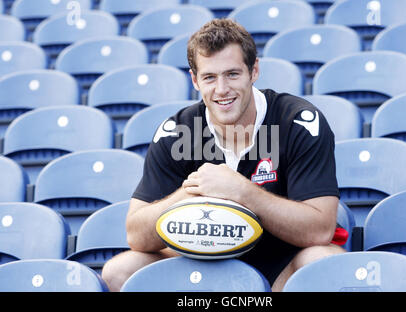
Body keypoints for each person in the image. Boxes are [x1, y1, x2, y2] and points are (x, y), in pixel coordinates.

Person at [101, 18, 347, 292]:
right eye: (209, 77)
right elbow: (136, 234)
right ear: (195, 80)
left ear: (253, 71)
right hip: (200, 266)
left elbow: (320, 229)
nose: (221, 89)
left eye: (232, 74)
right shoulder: (178, 132)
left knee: (323, 261)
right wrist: (190, 193)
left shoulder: (298, 122)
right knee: (119, 271)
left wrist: (243, 192)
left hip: (281, 267)